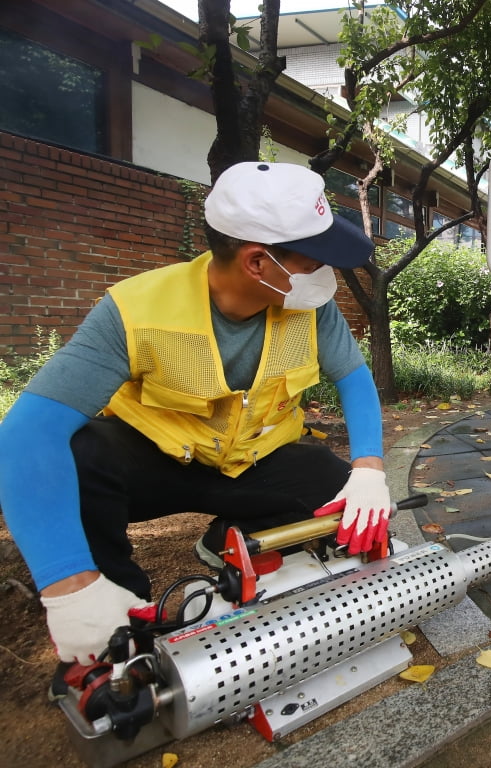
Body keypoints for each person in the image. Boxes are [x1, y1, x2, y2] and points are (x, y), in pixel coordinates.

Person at [0, 161, 391, 684]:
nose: (327, 275)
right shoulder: (135, 310)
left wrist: (369, 468)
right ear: (258, 262)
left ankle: (236, 537)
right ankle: (114, 619)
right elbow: (27, 433)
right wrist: (64, 583)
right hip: (159, 464)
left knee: (331, 481)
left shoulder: (308, 307)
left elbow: (355, 380)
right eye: (315, 259)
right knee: (80, 456)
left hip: (252, 463)